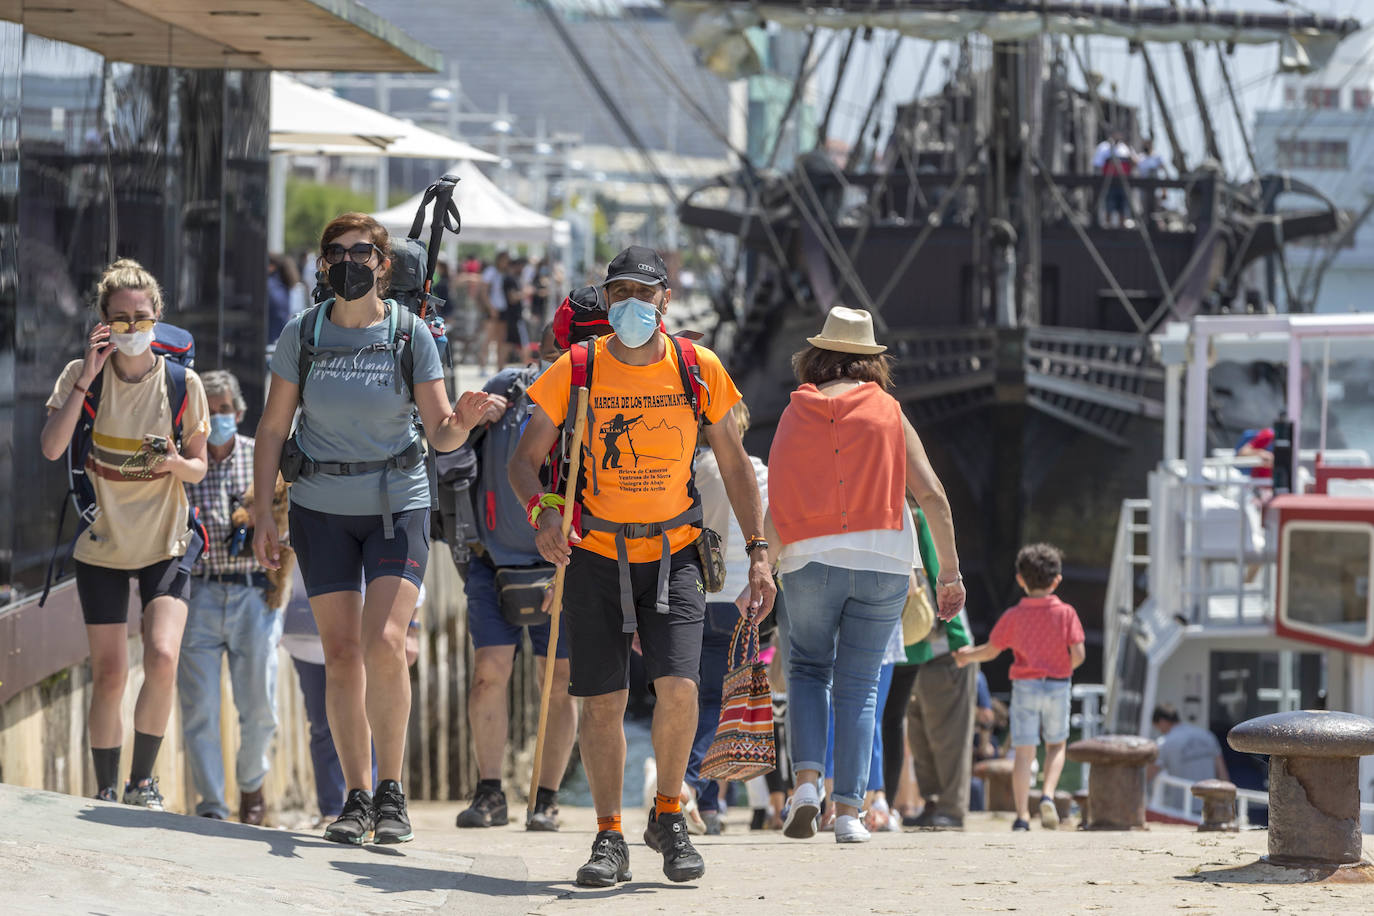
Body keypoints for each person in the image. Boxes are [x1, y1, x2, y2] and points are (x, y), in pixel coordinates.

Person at [510, 245, 776, 887]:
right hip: (596, 555)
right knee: (603, 702)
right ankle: (608, 835)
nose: (631, 303)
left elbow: (736, 465)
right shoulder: (578, 368)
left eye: (643, 292)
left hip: (675, 552)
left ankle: (668, 815)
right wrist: (545, 508)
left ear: (666, 300)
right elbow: (523, 460)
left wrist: (759, 551)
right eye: (619, 292)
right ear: (606, 299)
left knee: (680, 689)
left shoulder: (697, 366)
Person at [252, 212, 495, 847]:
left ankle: (392, 790)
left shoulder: (409, 333)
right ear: (321, 262)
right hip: (320, 506)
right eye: (337, 251)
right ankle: (356, 797)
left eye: (363, 252)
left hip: (397, 503)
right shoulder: (301, 334)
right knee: (341, 653)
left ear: (384, 266)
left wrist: (464, 420)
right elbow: (273, 430)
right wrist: (259, 510)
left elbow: (440, 433)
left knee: (386, 641)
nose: (350, 261)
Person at [768, 306, 964, 845]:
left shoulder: (795, 412)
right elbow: (933, 498)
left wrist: (762, 565)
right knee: (860, 685)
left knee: (807, 670)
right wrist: (949, 575)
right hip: (885, 562)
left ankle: (806, 785)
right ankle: (850, 813)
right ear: (872, 362)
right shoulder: (890, 413)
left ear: (818, 356)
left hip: (808, 560)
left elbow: (778, 497)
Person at [40, 258, 210, 809]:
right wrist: (87, 375)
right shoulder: (79, 376)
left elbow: (200, 467)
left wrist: (174, 463)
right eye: (120, 318)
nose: (132, 328)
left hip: (167, 540)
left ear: (157, 317)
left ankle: (143, 782)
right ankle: (107, 787)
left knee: (162, 656)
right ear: (103, 323)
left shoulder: (183, 383)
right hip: (104, 545)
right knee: (110, 673)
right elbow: (50, 447)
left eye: (141, 317)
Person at [456, 321, 580, 833]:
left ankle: (546, 798)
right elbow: (450, 447)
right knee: (489, 675)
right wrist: (477, 417)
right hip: (494, 559)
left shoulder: (593, 396)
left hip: (566, 563)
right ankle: (489, 792)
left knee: (559, 683)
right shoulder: (509, 385)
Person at [177, 369, 281, 824]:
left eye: (224, 410)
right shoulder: (184, 463)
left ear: (238, 413)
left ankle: (251, 790)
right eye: (209, 411)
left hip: (252, 595)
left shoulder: (259, 458)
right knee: (199, 710)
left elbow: (286, 521)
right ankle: (212, 807)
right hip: (197, 594)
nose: (217, 418)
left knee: (259, 707)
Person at [684, 399, 770, 835]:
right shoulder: (757, 471)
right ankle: (692, 789)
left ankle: (708, 803)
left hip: (691, 598)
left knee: (688, 699)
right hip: (739, 600)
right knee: (721, 705)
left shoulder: (689, 468)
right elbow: (771, 533)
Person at [955, 543, 1086, 831]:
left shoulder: (1014, 616)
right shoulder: (1066, 614)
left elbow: (991, 650)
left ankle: (1022, 817)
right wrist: (1062, 668)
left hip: (1025, 686)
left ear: (1020, 580)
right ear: (1057, 580)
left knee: (1024, 752)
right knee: (1056, 745)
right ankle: (1048, 795)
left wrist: (967, 656)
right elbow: (1078, 655)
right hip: (1057, 684)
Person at [901, 508, 979, 830]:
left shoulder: (919, 518)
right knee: (920, 734)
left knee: (949, 735)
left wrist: (961, 640)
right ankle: (933, 801)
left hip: (946, 648)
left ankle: (952, 807)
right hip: (914, 649)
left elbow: (942, 572)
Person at [1148, 705, 1229, 784]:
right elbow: (1223, 774)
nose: (1159, 731)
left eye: (1157, 727)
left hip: (1183, 797)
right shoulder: (1207, 735)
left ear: (1162, 722)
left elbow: (1149, 775)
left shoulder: (1164, 742)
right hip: (1209, 796)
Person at [1093, 131, 1136, 228]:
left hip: (1124, 181)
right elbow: (1097, 164)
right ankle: (1108, 224)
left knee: (1124, 203)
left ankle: (1123, 224)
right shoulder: (1104, 147)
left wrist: (1129, 153)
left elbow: (1135, 163)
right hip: (1109, 181)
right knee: (1109, 203)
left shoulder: (1126, 147)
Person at [478, 252, 509, 370]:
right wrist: (490, 307)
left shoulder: (505, 273)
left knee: (501, 339)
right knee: (488, 338)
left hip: (503, 308)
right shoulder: (491, 271)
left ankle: (499, 366)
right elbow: (484, 291)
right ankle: (482, 366)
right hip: (492, 308)